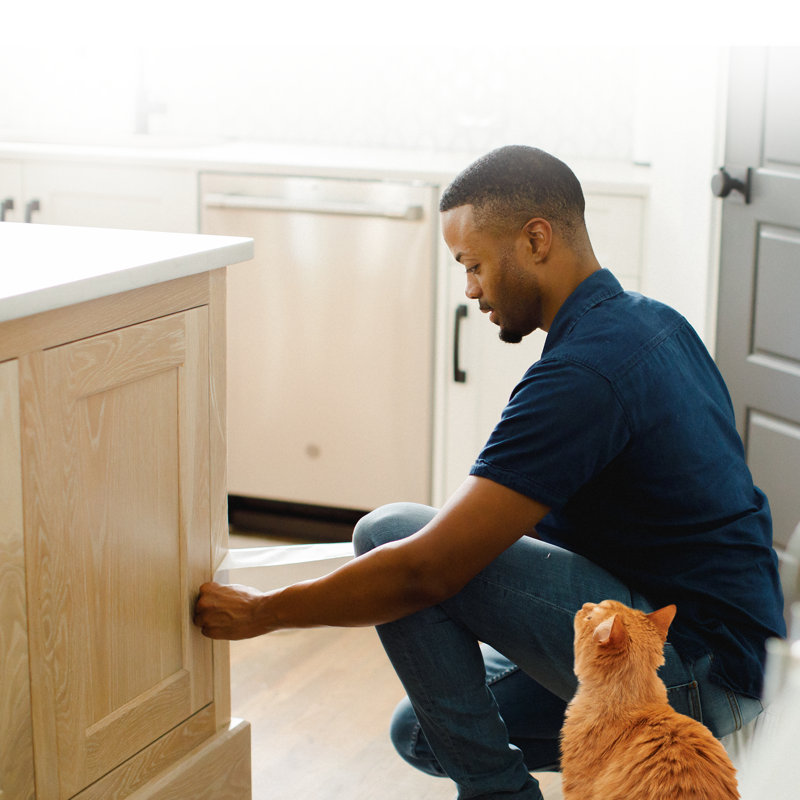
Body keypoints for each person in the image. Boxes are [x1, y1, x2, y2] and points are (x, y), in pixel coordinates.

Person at [194, 145, 786, 800]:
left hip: (701, 678)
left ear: (536, 239)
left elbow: (429, 567)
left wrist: (262, 614)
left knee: (392, 536)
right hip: (742, 666)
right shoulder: (653, 324)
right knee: (424, 731)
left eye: (473, 265)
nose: (471, 289)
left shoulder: (584, 375)